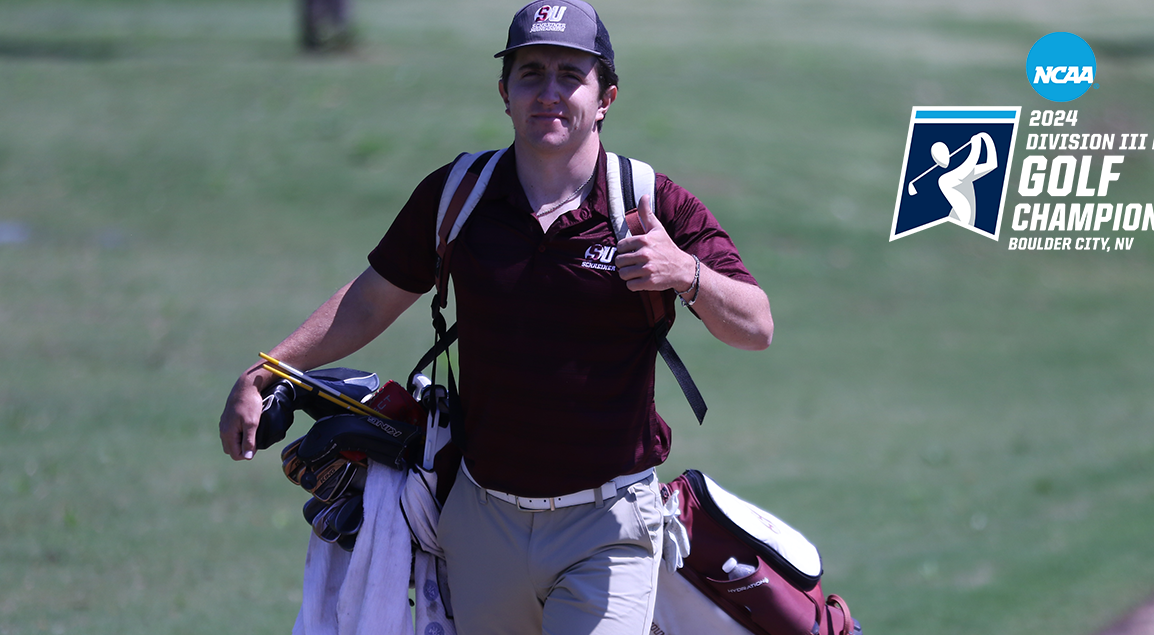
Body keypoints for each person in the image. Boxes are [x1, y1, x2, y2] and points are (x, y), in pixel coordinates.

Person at [218, 1, 773, 633]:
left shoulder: (648, 201)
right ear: (504, 92)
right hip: (482, 521)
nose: (550, 92)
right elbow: (370, 300)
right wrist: (265, 371)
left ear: (607, 96)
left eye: (572, 74)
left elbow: (756, 326)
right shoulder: (459, 194)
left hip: (609, 524)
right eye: (530, 72)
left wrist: (686, 273)